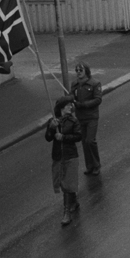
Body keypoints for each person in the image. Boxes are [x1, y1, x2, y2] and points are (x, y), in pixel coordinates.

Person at [45, 95, 82, 227]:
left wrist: (64, 137)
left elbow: (78, 136)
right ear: (61, 107)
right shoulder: (53, 121)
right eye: (68, 105)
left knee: (68, 182)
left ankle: (66, 213)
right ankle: (74, 200)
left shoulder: (74, 121)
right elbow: (48, 138)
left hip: (71, 155)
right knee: (62, 182)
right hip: (58, 156)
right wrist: (51, 128)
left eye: (71, 105)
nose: (71, 107)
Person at [70, 61, 102, 175]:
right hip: (80, 117)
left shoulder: (95, 83)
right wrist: (71, 101)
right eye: (76, 70)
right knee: (84, 142)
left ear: (86, 71)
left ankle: (97, 165)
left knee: (90, 140)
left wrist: (83, 105)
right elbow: (72, 97)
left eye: (81, 70)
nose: (78, 72)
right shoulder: (75, 84)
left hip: (92, 117)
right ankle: (89, 166)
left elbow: (98, 99)